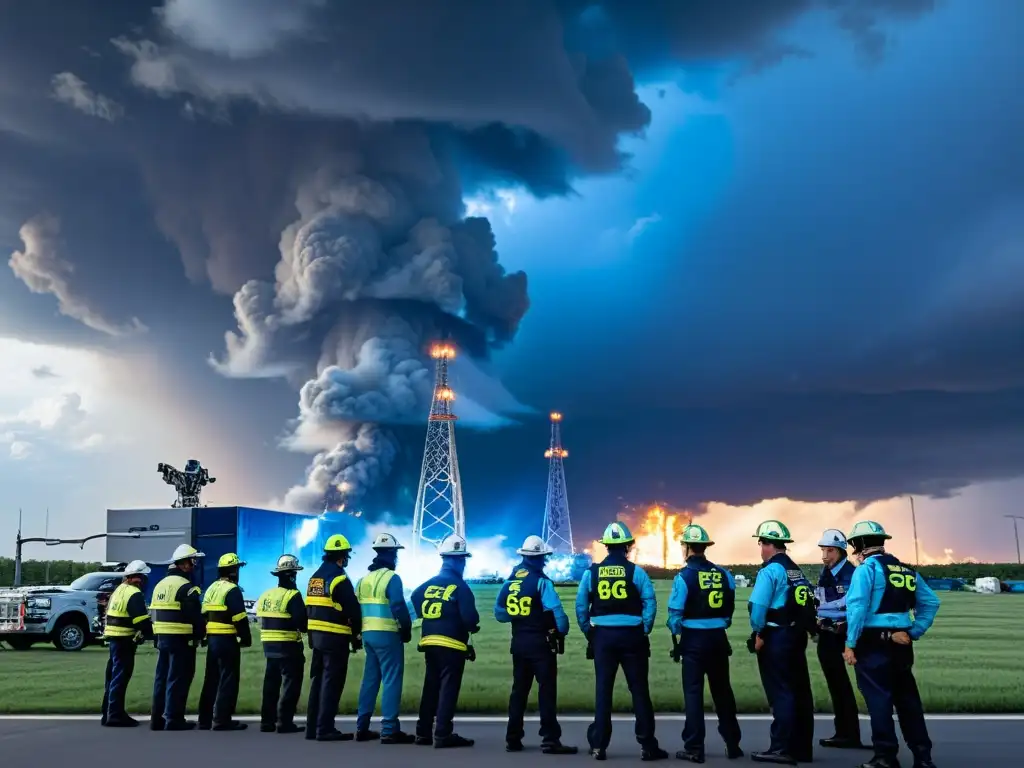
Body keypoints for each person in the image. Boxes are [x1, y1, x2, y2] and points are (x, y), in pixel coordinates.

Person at [843, 521, 940, 768]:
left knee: (879, 701)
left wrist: (850, 643)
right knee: (908, 701)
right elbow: (931, 603)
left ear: (860, 544)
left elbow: (857, 608)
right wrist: (914, 631)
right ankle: (923, 757)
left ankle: (885, 757)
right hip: (902, 644)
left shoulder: (866, 570)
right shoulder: (907, 571)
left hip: (873, 643)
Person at [575, 521, 667, 762]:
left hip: (603, 638)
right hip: (632, 637)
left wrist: (589, 632)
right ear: (627, 546)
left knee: (603, 690)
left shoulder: (591, 573)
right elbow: (650, 601)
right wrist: (643, 629)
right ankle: (648, 746)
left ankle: (598, 746)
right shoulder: (636, 572)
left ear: (606, 546)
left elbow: (581, 605)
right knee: (639, 691)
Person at [666, 524, 742, 763]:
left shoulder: (683, 577)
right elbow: (729, 611)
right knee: (723, 692)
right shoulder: (725, 574)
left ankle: (694, 747)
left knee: (693, 693)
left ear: (688, 548)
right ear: (705, 547)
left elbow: (674, 617)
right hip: (719, 639)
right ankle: (733, 743)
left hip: (694, 642)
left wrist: (679, 630)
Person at [494, 535, 577, 755]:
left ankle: (513, 738)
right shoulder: (542, 582)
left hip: (519, 644)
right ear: (539, 558)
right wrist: (562, 630)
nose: (545, 562)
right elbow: (557, 613)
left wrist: (519, 616)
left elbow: (499, 614)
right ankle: (550, 739)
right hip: (541, 645)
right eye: (543, 558)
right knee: (546, 691)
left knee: (518, 691)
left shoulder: (509, 582)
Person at [748, 520, 816, 765]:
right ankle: (802, 748)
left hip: (777, 637)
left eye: (761, 543)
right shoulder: (795, 570)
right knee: (800, 692)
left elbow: (758, 609)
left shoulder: (770, 571)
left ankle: (780, 748)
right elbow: (810, 604)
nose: (761, 549)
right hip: (797, 636)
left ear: (768, 544)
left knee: (781, 693)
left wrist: (758, 633)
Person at [411, 533, 480, 748]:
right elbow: (471, 619)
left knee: (431, 685)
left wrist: (427, 616)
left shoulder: (430, 584)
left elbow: (414, 596)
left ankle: (423, 732)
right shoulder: (460, 587)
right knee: (448, 687)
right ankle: (442, 733)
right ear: (460, 560)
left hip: (429, 641)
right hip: (451, 644)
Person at [355, 533, 416, 744]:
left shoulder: (363, 580)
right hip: (388, 634)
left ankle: (361, 727)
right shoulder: (392, 578)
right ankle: (389, 729)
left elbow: (356, 608)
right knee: (391, 679)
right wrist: (406, 629)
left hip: (368, 635)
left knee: (370, 680)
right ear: (392, 554)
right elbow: (398, 605)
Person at [305, 534, 363, 742]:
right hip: (335, 638)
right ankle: (325, 728)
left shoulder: (315, 578)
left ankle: (312, 728)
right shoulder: (339, 578)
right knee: (332, 683)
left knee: (317, 681)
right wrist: (356, 634)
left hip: (316, 638)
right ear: (342, 557)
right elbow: (353, 610)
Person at [813, 528, 865, 750]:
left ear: (842, 551)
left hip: (845, 634)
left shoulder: (852, 574)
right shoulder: (827, 571)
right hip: (828, 633)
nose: (825, 556)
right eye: (823, 550)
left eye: (830, 551)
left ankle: (851, 733)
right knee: (837, 684)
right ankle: (844, 732)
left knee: (853, 684)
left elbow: (848, 605)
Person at [150, 543, 206, 731]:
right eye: (192, 562)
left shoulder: (160, 585)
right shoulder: (187, 587)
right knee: (179, 678)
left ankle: (157, 719)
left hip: (161, 638)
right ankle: (174, 719)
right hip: (181, 639)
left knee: (162, 678)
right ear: (182, 564)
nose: (193, 566)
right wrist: (201, 634)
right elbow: (194, 616)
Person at [198, 552, 252, 731]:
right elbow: (240, 617)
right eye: (237, 568)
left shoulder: (212, 588)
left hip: (212, 639)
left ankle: (204, 719)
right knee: (228, 679)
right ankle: (222, 719)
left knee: (211, 679)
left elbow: (204, 614)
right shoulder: (232, 589)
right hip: (227, 639)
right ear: (233, 571)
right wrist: (245, 638)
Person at [256, 554, 308, 734]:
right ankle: (284, 722)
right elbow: (302, 623)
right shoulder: (293, 595)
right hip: (288, 647)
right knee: (290, 685)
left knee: (270, 684)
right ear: (293, 575)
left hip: (268, 648)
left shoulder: (266, 595)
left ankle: (266, 722)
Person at [100, 560, 154, 727]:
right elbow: (141, 620)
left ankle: (107, 713)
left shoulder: (119, 590)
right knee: (120, 677)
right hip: (124, 640)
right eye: (143, 578)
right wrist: (152, 634)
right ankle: (115, 715)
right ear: (137, 578)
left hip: (114, 639)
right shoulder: (134, 593)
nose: (143, 582)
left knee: (112, 677)